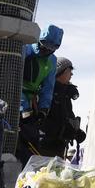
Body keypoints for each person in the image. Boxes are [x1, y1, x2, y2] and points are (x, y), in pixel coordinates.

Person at [16, 24, 63, 165]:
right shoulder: (25, 49)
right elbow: (14, 81)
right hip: (15, 99)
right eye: (45, 45)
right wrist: (23, 107)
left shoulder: (52, 61)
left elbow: (48, 87)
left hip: (32, 103)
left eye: (52, 48)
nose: (47, 50)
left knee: (31, 137)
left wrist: (43, 109)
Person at [38, 57, 86, 158]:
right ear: (60, 72)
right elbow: (47, 120)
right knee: (43, 173)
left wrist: (76, 132)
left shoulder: (65, 93)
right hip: (44, 146)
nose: (71, 74)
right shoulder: (47, 92)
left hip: (59, 146)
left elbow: (66, 116)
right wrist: (64, 131)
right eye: (69, 71)